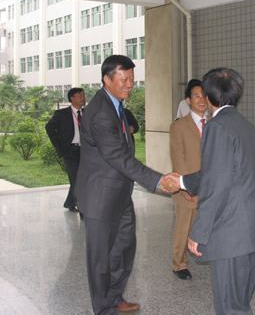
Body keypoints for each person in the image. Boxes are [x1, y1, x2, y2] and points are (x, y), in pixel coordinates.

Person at [74, 54, 178, 314]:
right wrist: (158, 180)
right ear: (107, 80)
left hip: (119, 194)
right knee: (100, 258)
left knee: (123, 249)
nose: (130, 84)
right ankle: (103, 308)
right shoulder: (100, 113)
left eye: (132, 79)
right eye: (124, 79)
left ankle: (115, 296)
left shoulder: (115, 105)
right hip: (100, 197)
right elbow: (118, 157)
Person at [179, 67, 255, 314]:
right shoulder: (245, 125)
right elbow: (228, 172)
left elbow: (217, 185)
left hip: (233, 233)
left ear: (208, 96)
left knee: (230, 307)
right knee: (240, 303)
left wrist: (199, 232)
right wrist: (182, 181)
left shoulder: (216, 126)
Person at [168, 79, 208, 281]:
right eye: (196, 96)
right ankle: (179, 264)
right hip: (189, 187)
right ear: (188, 100)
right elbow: (178, 157)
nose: (201, 99)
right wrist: (186, 187)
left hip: (210, 186)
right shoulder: (179, 126)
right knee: (184, 227)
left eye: (204, 96)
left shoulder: (215, 124)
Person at [46, 87, 86, 213]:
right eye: (80, 96)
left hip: (85, 151)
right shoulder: (62, 114)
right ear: (72, 98)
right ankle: (82, 206)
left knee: (82, 178)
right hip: (70, 151)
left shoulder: (87, 113)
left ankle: (70, 202)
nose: (83, 98)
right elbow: (49, 127)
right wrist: (58, 145)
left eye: (83, 95)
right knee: (76, 178)